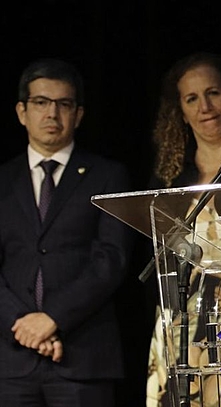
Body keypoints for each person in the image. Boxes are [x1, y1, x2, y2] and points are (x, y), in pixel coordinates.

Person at [0, 58, 133, 406]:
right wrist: (24, 325)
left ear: (78, 113)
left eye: (64, 104)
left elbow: (111, 259)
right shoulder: (2, 180)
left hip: (83, 357)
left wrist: (53, 318)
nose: (52, 114)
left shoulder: (108, 176)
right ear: (21, 111)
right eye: (41, 103)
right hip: (11, 360)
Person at [143, 53, 221, 406]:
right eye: (191, 98)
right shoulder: (169, 178)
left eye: (213, 93)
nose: (205, 107)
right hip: (181, 324)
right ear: (180, 110)